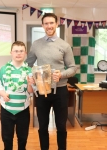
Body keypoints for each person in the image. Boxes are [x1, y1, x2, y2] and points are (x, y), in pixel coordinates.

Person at [26, 13, 77, 150]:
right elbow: (28, 65)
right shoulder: (36, 45)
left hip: (60, 91)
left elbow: (73, 68)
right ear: (42, 25)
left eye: (51, 23)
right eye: (46, 23)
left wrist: (61, 74)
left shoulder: (64, 46)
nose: (49, 26)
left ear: (56, 24)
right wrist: (31, 76)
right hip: (42, 91)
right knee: (42, 126)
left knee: (61, 126)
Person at [0, 41, 34, 150]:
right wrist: (3, 94)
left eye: (21, 51)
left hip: (23, 111)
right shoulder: (2, 69)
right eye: (16, 51)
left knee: (23, 138)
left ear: (25, 53)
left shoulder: (29, 71)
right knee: (7, 138)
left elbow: (31, 91)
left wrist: (31, 83)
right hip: (7, 110)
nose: (18, 53)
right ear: (11, 52)